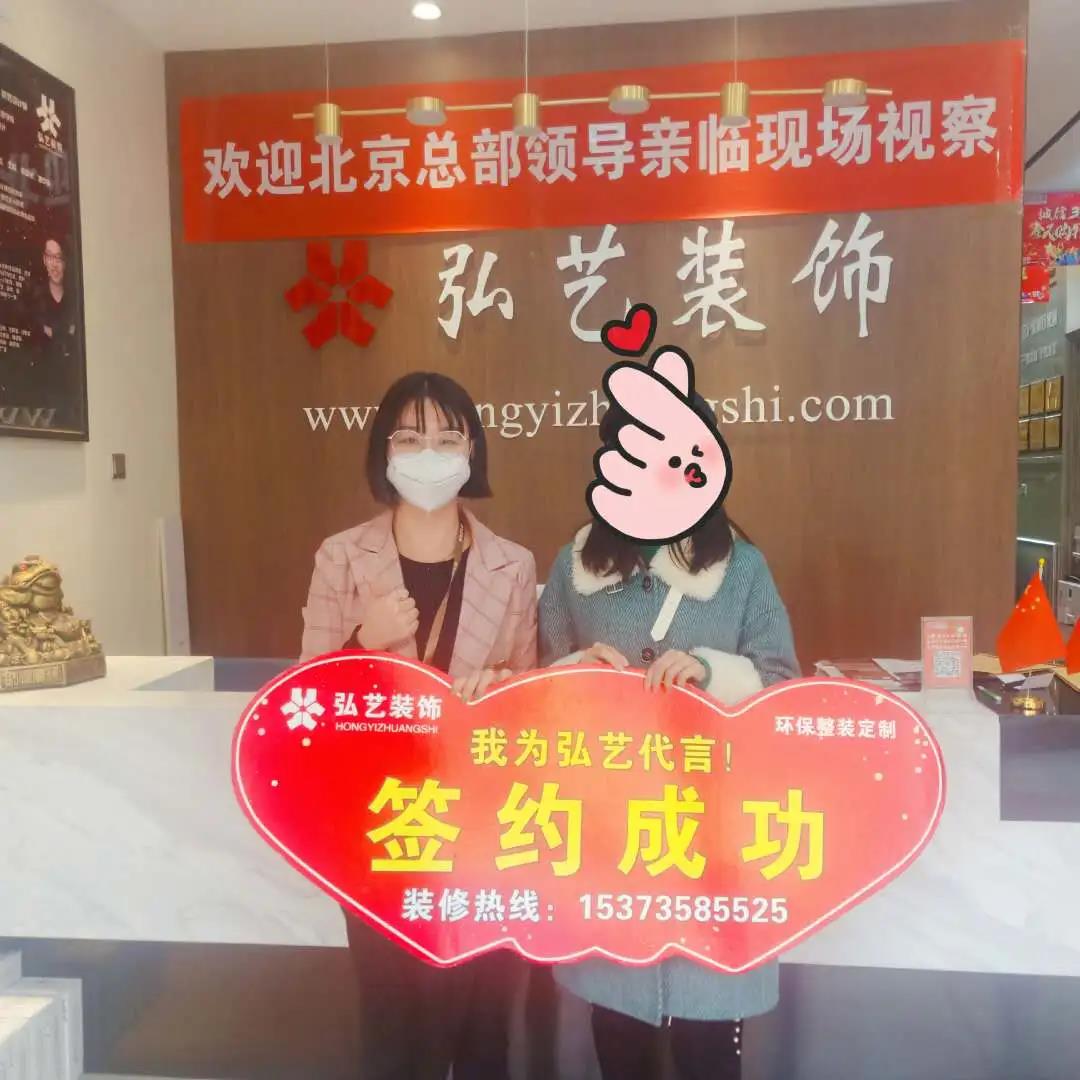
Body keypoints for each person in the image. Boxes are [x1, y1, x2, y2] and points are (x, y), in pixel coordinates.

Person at [537, 397, 799, 1080]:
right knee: (619, 1035)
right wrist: (576, 669)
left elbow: (781, 681)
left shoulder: (742, 568)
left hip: (713, 836)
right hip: (611, 833)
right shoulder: (575, 566)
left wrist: (712, 672)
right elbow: (538, 687)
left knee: (709, 1046)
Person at [301, 371, 538, 1080]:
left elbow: (531, 703)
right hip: (381, 825)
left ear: (472, 450)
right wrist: (361, 643)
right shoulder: (341, 558)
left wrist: (502, 691)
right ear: (384, 452)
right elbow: (305, 705)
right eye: (408, 439)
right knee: (395, 1027)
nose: (428, 454)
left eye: (446, 438)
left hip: (483, 827)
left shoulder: (512, 565)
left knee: (485, 1027)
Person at [27, 237, 80, 420]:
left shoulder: (76, 302)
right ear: (44, 260)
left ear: (66, 262)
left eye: (59, 258)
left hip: (70, 396)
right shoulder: (34, 298)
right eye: (50, 257)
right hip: (42, 396)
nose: (54, 265)